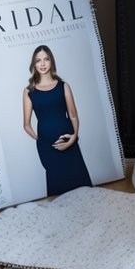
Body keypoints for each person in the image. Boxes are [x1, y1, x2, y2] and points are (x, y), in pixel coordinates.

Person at [22, 44, 92, 196]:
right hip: (48, 147)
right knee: (57, 189)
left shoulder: (63, 86)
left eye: (46, 59)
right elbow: (26, 125)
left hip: (68, 141)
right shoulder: (29, 92)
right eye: (38, 60)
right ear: (34, 64)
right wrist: (41, 140)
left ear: (51, 61)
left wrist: (73, 138)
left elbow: (73, 115)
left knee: (79, 184)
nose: (42, 63)